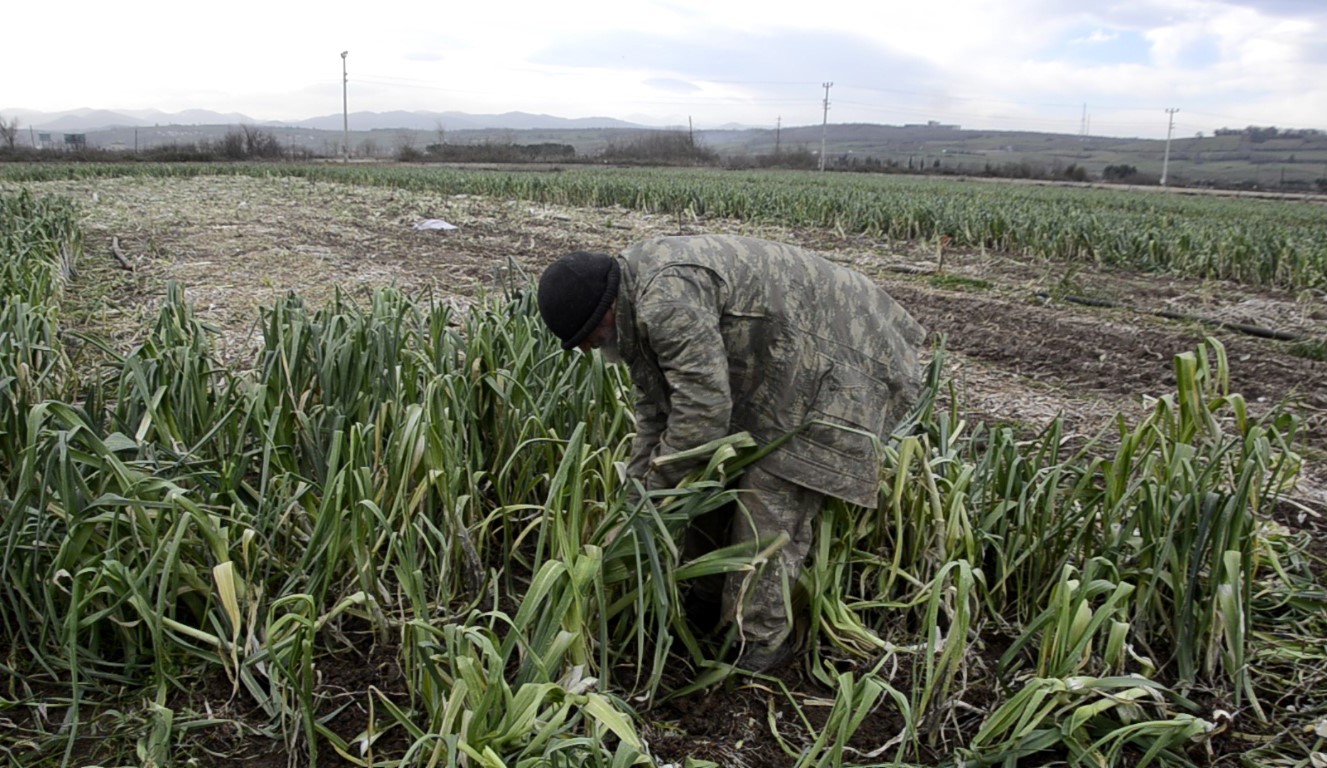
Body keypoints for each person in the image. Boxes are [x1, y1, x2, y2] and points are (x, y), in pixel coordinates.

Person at [536, 235, 925, 671]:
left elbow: (702, 414)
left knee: (767, 503)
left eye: (588, 338)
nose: (590, 349)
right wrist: (637, 500)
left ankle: (756, 648)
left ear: (603, 311)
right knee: (706, 480)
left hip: (841, 355)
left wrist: (657, 493)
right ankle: (705, 602)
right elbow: (656, 413)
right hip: (782, 363)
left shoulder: (666, 301)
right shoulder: (635, 297)